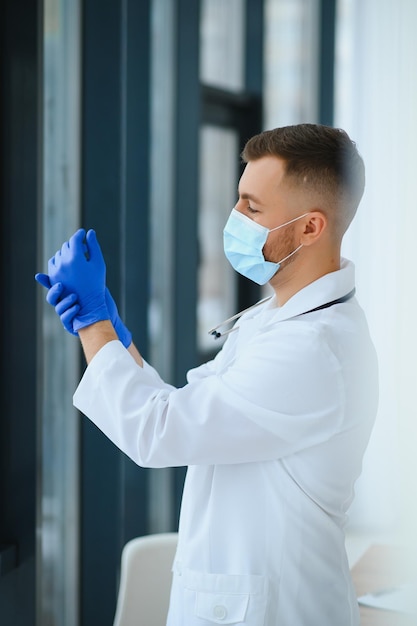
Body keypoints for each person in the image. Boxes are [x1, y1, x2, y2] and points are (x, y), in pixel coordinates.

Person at [36, 123, 378, 626]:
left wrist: (94, 325)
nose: (234, 218)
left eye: (252, 207)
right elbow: (187, 410)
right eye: (239, 200)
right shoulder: (278, 319)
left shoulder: (313, 349)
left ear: (311, 227)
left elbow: (159, 431)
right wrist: (117, 338)